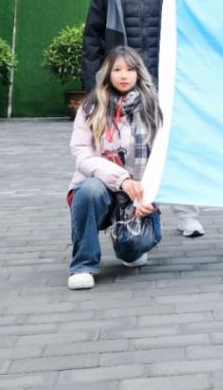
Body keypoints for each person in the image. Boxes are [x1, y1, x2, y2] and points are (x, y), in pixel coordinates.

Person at [81, 0, 205, 239]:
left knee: (174, 146)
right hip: (125, 84)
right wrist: (92, 90)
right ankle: (132, 215)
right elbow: (92, 39)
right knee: (130, 151)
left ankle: (187, 216)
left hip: (164, 81)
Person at [67, 47, 164, 290]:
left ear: (138, 72)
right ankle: (83, 265)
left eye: (130, 69)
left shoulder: (154, 108)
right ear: (107, 73)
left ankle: (126, 244)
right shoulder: (91, 108)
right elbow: (83, 156)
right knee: (89, 189)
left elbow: (162, 157)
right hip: (102, 189)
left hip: (138, 195)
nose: (124, 75)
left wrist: (149, 195)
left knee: (132, 252)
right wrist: (122, 180)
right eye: (117, 69)